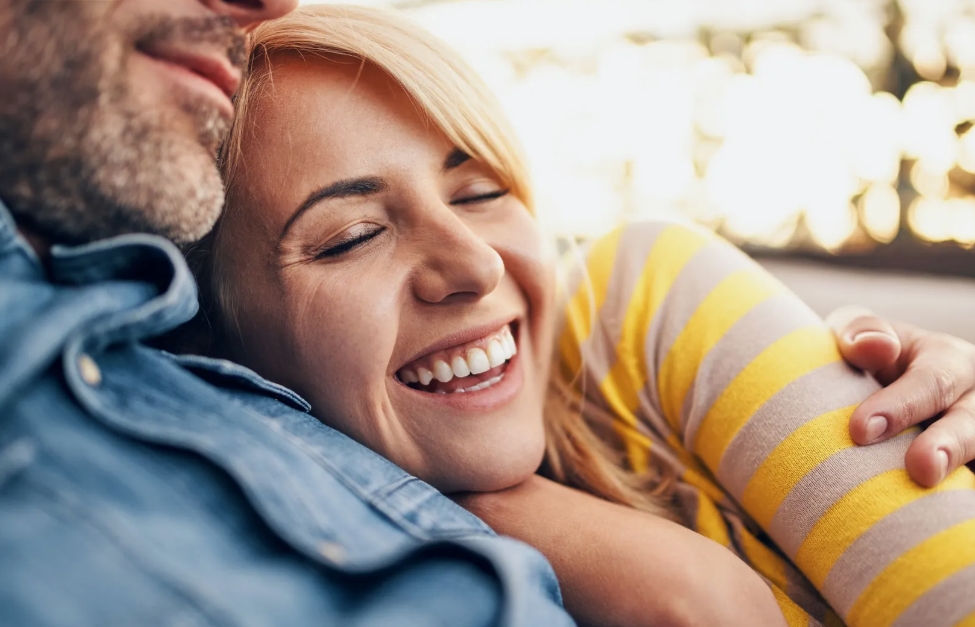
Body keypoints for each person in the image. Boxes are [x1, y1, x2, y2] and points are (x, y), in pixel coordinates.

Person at [0, 2, 972, 626]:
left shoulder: (641, 309)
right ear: (223, 354)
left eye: (477, 192)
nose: (469, 265)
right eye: (348, 238)